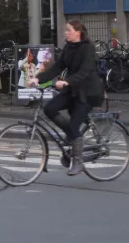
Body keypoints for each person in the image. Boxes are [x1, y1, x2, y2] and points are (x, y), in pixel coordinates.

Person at [30, 19, 104, 177]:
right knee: (50, 108)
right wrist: (38, 79)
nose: (66, 32)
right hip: (72, 90)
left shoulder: (88, 49)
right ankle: (71, 136)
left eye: (69, 30)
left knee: (73, 125)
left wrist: (67, 81)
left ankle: (78, 162)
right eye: (66, 30)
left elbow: (85, 72)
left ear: (78, 32)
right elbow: (57, 67)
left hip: (88, 93)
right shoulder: (68, 48)